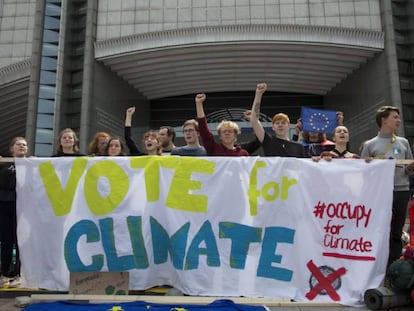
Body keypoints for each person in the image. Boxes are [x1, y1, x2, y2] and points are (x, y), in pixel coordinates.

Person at [360, 105, 414, 267]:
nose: (398, 120)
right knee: (379, 230)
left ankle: (394, 267)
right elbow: (363, 172)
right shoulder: (370, 145)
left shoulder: (403, 142)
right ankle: (375, 266)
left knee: (396, 232)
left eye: (398, 117)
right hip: (379, 193)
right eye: (394, 117)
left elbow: (408, 171)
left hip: (401, 190)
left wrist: (410, 167)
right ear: (383, 120)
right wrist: (369, 165)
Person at [0, 137, 29, 288]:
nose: (22, 147)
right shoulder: (4, 163)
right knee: (6, 241)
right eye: (18, 144)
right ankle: (4, 273)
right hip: (5, 204)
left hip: (23, 207)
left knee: (20, 242)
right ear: (12, 148)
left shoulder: (31, 164)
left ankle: (18, 274)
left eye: (24, 145)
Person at [250, 83, 306, 157]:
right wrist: (258, 94)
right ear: (273, 127)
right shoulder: (268, 141)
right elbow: (254, 120)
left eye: (283, 123)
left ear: (288, 126)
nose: (280, 125)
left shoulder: (299, 147)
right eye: (277, 123)